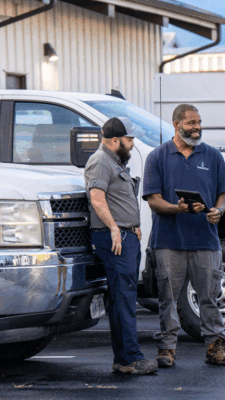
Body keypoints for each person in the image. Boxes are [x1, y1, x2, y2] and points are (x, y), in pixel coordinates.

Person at [142, 104, 225, 368]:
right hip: (168, 242)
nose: (197, 128)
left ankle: (215, 347)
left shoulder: (213, 156)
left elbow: (224, 194)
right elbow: (153, 200)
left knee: (210, 297)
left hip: (206, 240)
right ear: (176, 124)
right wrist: (178, 208)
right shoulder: (157, 157)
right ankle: (167, 349)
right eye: (191, 123)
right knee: (168, 298)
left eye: (199, 122)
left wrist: (219, 209)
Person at [85, 116, 158, 375]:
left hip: (125, 237)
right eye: (129, 139)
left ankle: (123, 358)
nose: (132, 143)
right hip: (115, 239)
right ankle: (131, 359)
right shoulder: (100, 161)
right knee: (125, 299)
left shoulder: (115, 161)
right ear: (115, 140)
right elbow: (97, 198)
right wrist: (116, 228)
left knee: (121, 299)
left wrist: (132, 224)